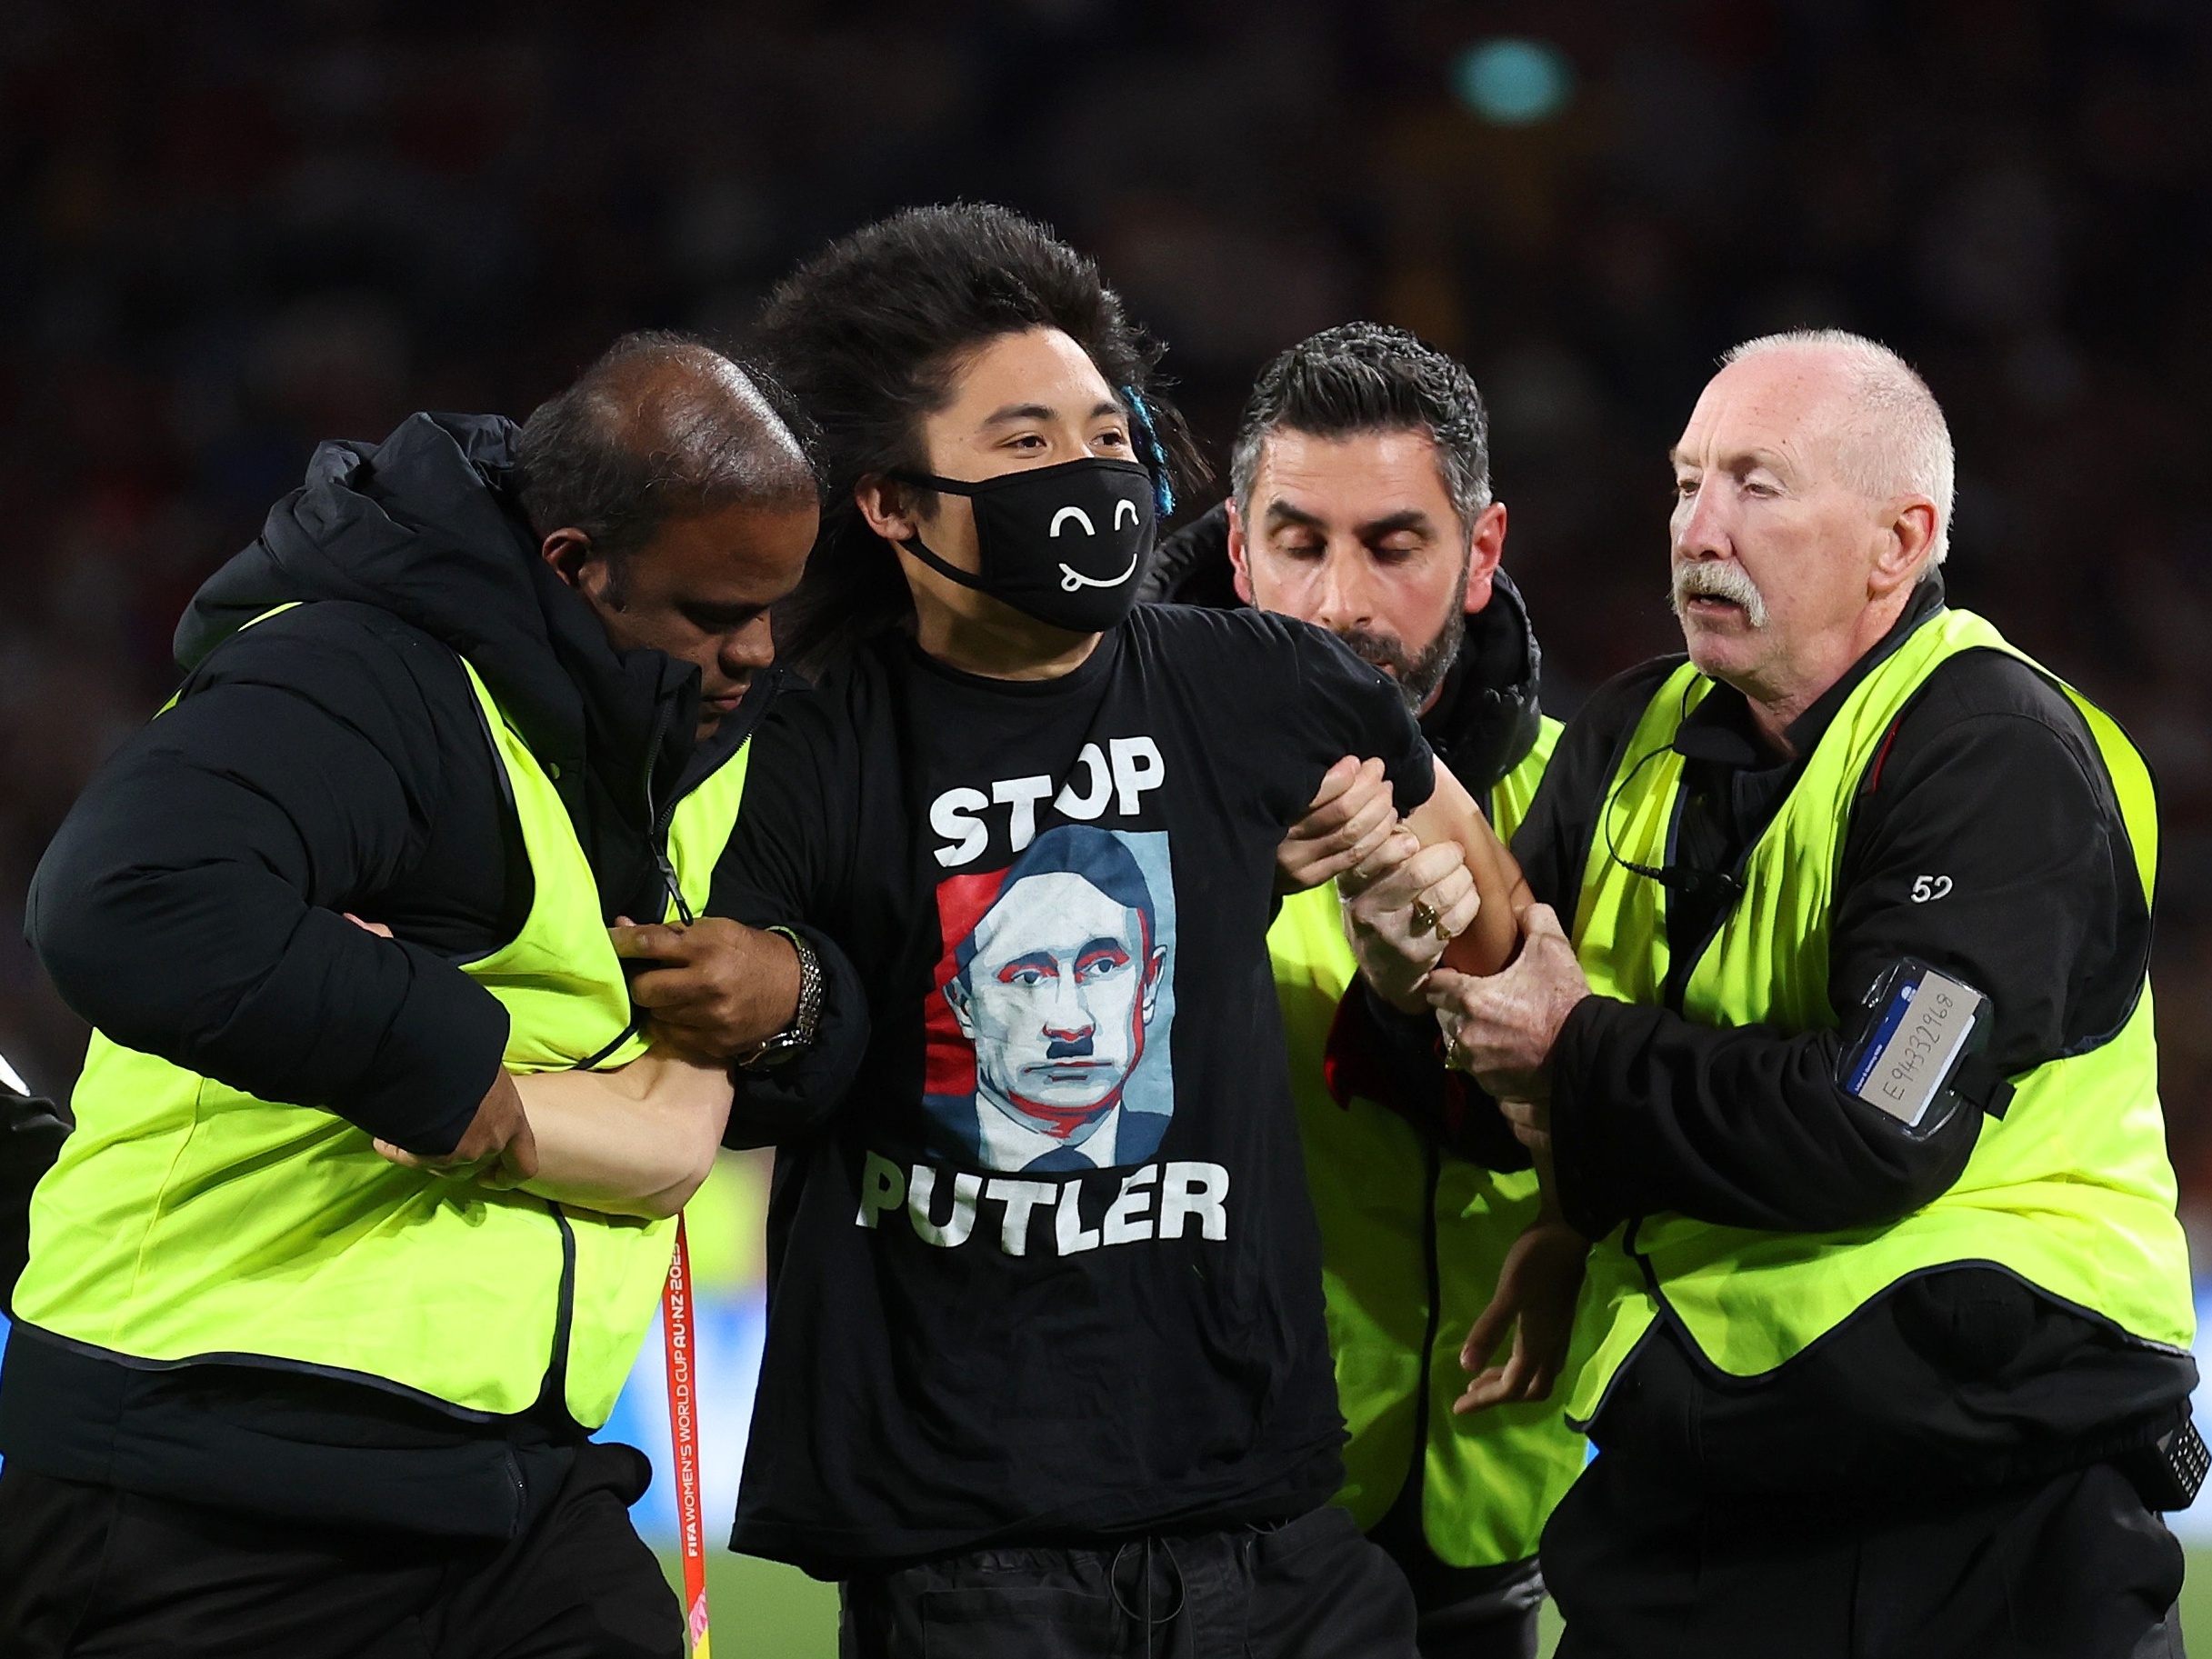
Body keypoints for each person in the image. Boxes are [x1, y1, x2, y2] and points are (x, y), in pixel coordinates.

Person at [713, 203, 1545, 1658]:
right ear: (890, 505)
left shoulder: (1275, 687)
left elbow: (1505, 935)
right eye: (1024, 445)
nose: (1087, 476)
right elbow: (739, 1066)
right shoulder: (807, 747)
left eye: (1105, 434)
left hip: (1276, 1525)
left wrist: (1422, 947)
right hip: (968, 1555)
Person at [0, 333, 866, 1658]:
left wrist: (793, 998)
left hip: (513, 1490)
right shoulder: (359, 670)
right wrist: (459, 1071)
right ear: (575, 564)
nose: (753, 653)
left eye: (772, 609)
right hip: (205, 1474)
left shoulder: (698, 736)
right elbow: (124, 897)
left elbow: (825, 1004)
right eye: (710, 614)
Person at [1427, 329, 2199, 1657]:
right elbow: (1491, 1068)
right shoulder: (1628, 735)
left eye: (1756, 485)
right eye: (1684, 483)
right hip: (1696, 1503)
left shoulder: (1993, 755)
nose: (1698, 529)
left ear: (1900, 541)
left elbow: (1879, 1120)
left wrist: (1577, 1054)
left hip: (1986, 1520)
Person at [1144, 323, 1582, 1659]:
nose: (1339, 604)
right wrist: (1227, 877)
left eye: (1393, 545)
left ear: (1480, 554)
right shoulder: (1112, 796)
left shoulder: (1589, 797)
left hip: (1487, 1533)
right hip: (1193, 1530)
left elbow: (1613, 1118)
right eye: (1298, 542)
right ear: (1236, 549)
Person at [929, 822, 1173, 1173]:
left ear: (1149, 983)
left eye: (1102, 967)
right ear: (964, 1004)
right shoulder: (913, 1136)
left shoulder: (1194, 1132)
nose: (1070, 1026)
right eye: (1028, 977)